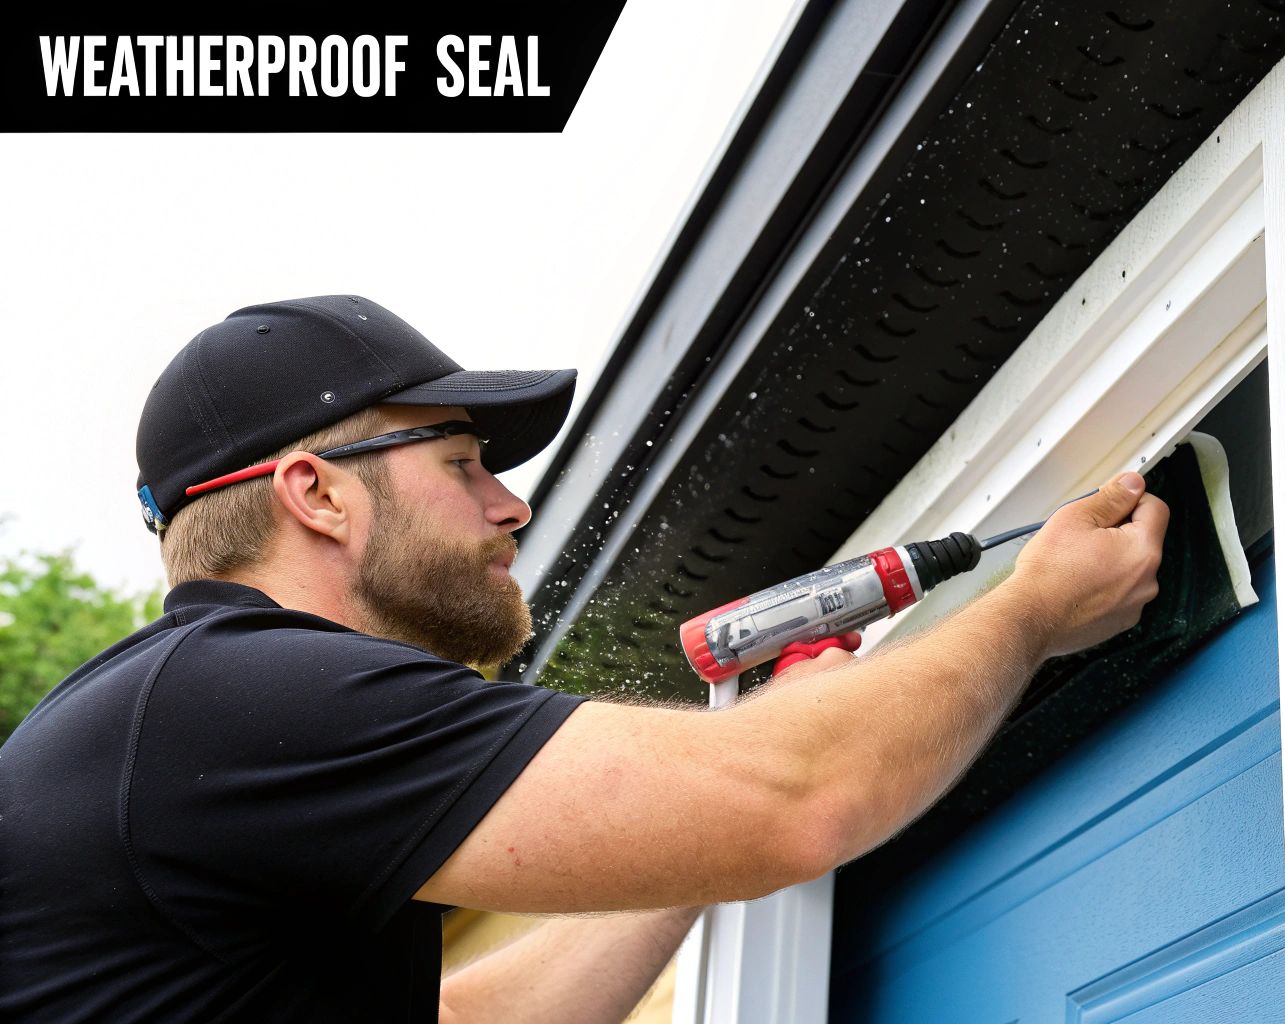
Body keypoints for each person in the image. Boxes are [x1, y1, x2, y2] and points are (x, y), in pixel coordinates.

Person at [0, 294, 1167, 1022]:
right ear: (314, 494)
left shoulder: (199, 740)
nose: (510, 507)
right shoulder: (232, 698)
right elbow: (797, 802)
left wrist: (706, 812)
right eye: (460, 463)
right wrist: (1028, 613)